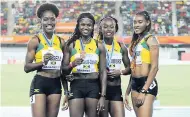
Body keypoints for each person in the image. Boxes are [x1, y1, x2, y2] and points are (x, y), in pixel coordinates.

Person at [61, 13, 107, 117]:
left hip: (93, 86)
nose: (86, 27)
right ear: (78, 26)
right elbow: (63, 70)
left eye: (89, 25)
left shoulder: (99, 46)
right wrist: (72, 64)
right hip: (76, 84)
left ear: (93, 27)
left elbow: (103, 71)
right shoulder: (71, 44)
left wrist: (103, 96)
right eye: (83, 24)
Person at [24, 3, 65, 117]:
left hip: (56, 84)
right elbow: (26, 67)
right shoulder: (35, 40)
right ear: (40, 21)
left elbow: (63, 68)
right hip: (40, 83)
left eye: (52, 19)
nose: (49, 22)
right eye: (46, 19)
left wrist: (66, 89)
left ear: (55, 21)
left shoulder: (61, 42)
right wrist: (42, 63)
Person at [127, 11, 159, 117]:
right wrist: (127, 92)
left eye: (140, 22)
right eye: (135, 22)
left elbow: (154, 68)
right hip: (134, 85)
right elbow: (133, 68)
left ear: (147, 23)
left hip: (147, 85)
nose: (136, 25)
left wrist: (144, 91)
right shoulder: (134, 42)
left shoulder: (151, 40)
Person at [98, 16, 131, 117]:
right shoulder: (96, 45)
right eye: (105, 27)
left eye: (111, 27)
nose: (108, 29)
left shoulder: (121, 47)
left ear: (115, 29)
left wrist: (120, 72)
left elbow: (130, 68)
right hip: (99, 89)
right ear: (100, 29)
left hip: (116, 89)